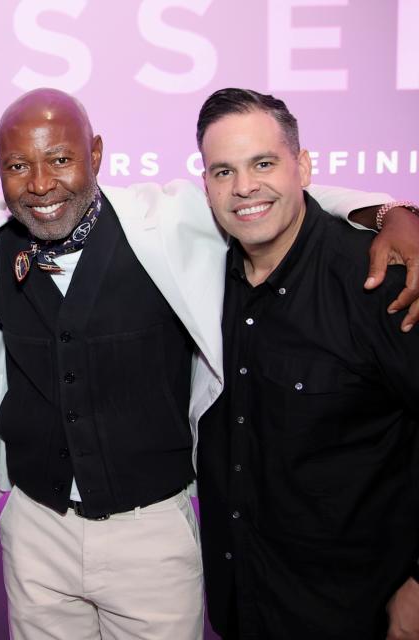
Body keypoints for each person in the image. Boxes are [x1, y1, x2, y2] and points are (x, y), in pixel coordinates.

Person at [0, 87, 419, 640]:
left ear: (97, 155)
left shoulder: (169, 223)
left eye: (61, 158)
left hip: (152, 533)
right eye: (18, 165)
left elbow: (275, 196)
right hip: (37, 531)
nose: (40, 182)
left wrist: (393, 211)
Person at [195, 88, 419, 640]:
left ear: (305, 167)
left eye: (264, 163)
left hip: (355, 613)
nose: (244, 186)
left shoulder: (376, 283)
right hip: (241, 607)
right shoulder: (196, 280)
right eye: (223, 171)